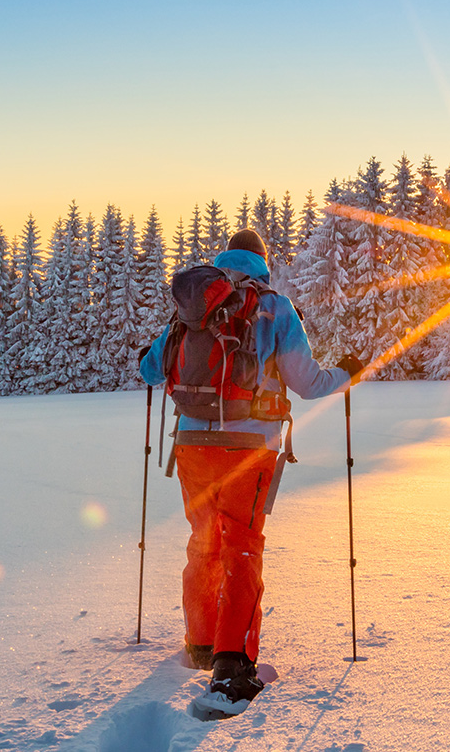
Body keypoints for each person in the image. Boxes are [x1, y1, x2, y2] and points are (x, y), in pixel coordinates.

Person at [139, 228, 364, 720]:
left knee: (204, 539)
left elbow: (151, 370)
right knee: (241, 545)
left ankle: (202, 644)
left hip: (193, 446)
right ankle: (232, 670)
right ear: (262, 262)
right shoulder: (274, 307)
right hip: (248, 448)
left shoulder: (194, 304)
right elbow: (307, 384)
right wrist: (348, 372)